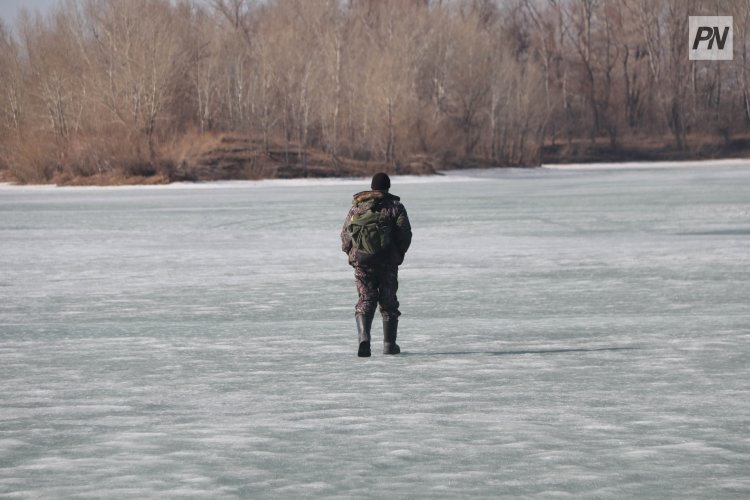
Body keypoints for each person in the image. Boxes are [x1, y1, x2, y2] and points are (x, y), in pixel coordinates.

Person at [341, 172, 412, 357]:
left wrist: (352, 255)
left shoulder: (357, 208)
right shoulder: (396, 207)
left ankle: (364, 336)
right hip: (387, 262)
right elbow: (405, 235)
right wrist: (398, 254)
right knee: (388, 303)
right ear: (388, 187)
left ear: (372, 188)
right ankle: (389, 345)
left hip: (362, 263)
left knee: (365, 299)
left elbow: (345, 236)